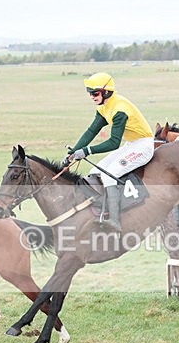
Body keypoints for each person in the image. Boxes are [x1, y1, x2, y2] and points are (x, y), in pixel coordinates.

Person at [65, 72, 154, 232]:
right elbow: (92, 130)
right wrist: (74, 152)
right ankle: (102, 209)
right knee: (94, 172)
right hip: (131, 144)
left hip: (143, 146)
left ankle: (114, 220)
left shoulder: (119, 109)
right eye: (89, 93)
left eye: (94, 93)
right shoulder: (104, 106)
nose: (91, 96)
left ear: (106, 91)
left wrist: (86, 151)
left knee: (108, 175)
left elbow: (113, 142)